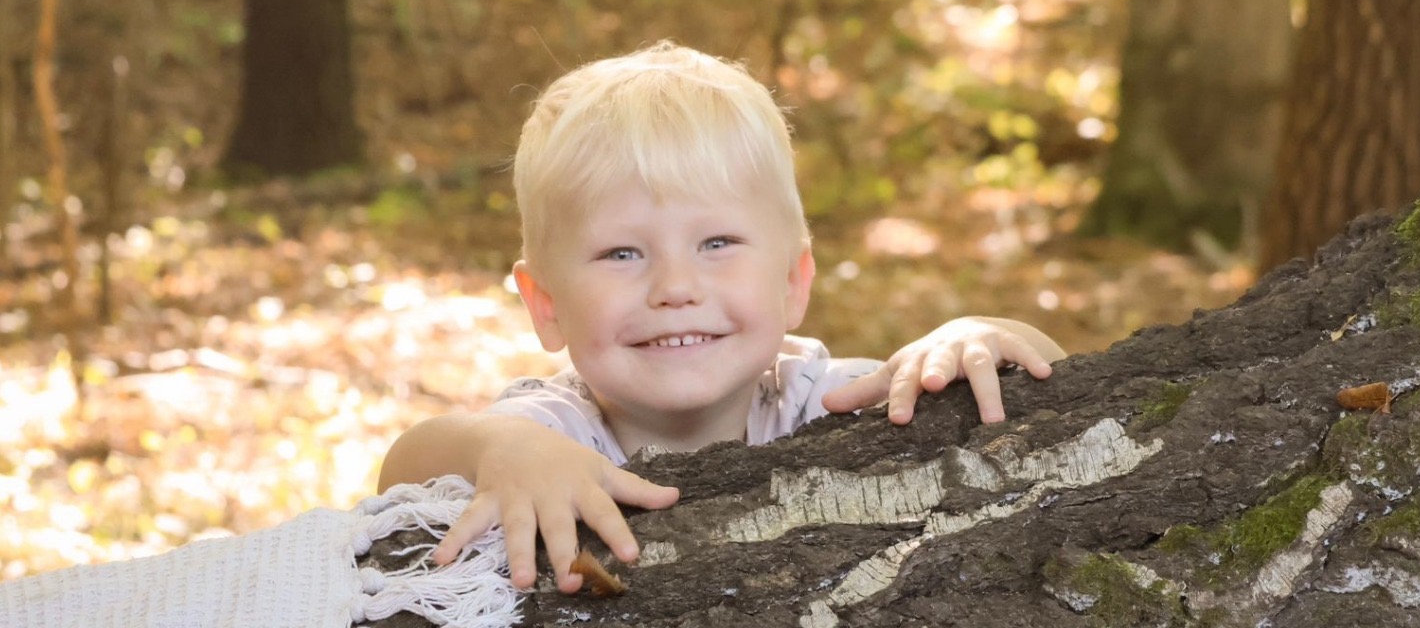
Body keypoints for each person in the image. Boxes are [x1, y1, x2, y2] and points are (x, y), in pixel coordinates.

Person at [378, 42, 1065, 593]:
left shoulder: (826, 401)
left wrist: (974, 336)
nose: (676, 286)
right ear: (546, 305)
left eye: (717, 244)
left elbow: (1058, 389)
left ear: (793, 281)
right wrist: (498, 450)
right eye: (621, 252)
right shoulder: (555, 436)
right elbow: (404, 471)